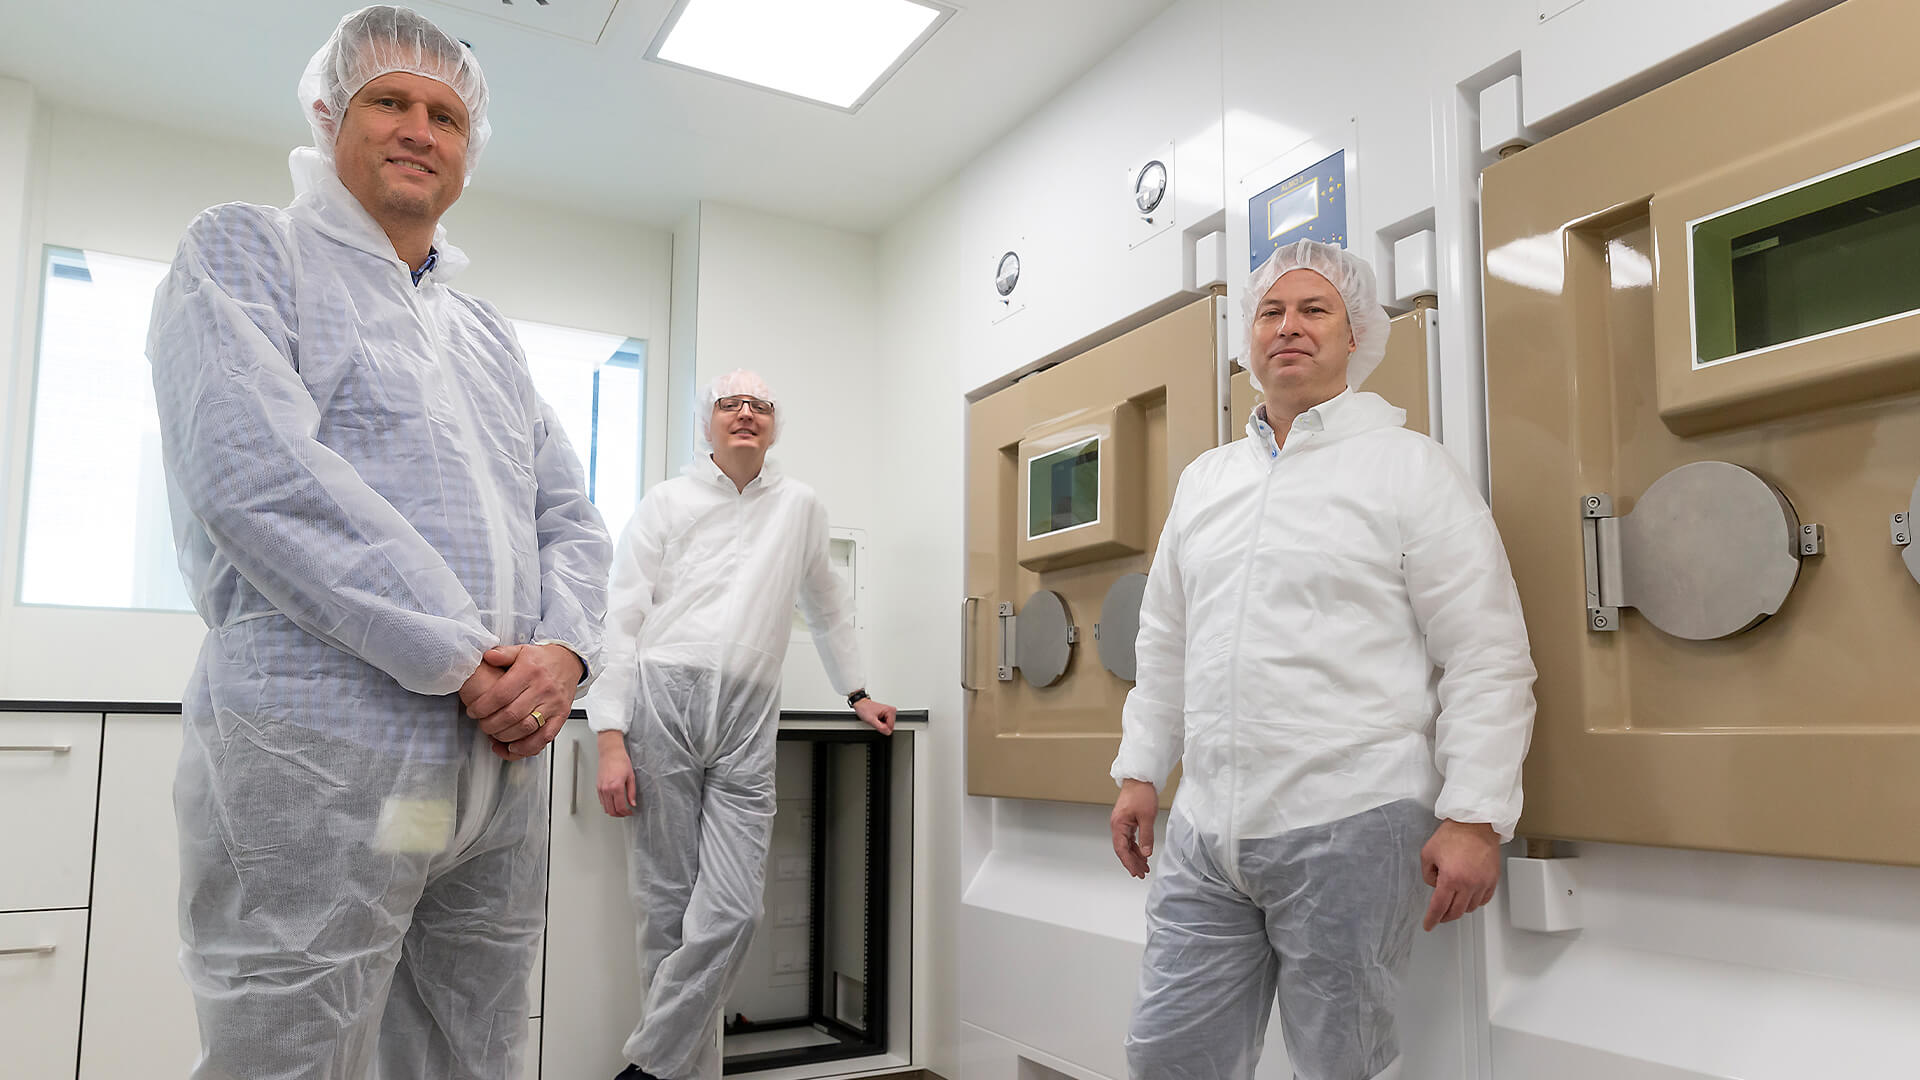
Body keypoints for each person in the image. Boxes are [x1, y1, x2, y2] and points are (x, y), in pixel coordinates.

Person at [146, 7, 611, 1078]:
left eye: (445, 113)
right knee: (289, 1044)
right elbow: (258, 476)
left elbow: (569, 519)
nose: (419, 128)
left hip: (494, 780)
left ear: (469, 148)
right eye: (389, 102)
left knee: (472, 1041)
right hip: (327, 762)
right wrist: (472, 659)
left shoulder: (486, 333)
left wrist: (566, 654)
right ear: (327, 112)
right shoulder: (247, 250)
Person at [1106, 239, 1537, 1080]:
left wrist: (1477, 814)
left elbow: (1485, 651)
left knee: (1341, 1066)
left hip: (1352, 818)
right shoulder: (1207, 481)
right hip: (1207, 833)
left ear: (1355, 335)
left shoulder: (1409, 468)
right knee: (1167, 1057)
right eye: (1271, 311)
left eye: (1314, 311)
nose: (1289, 328)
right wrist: (1140, 771)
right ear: (1248, 339)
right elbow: (1166, 642)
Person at [588, 370, 897, 1080]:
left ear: (775, 426)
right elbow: (622, 617)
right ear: (708, 422)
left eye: (760, 405)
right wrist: (609, 736)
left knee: (733, 910)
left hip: (748, 709)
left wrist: (856, 690)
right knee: (665, 910)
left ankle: (647, 1068)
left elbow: (828, 603)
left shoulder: (800, 507)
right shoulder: (666, 503)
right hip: (660, 700)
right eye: (731, 404)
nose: (746, 414)